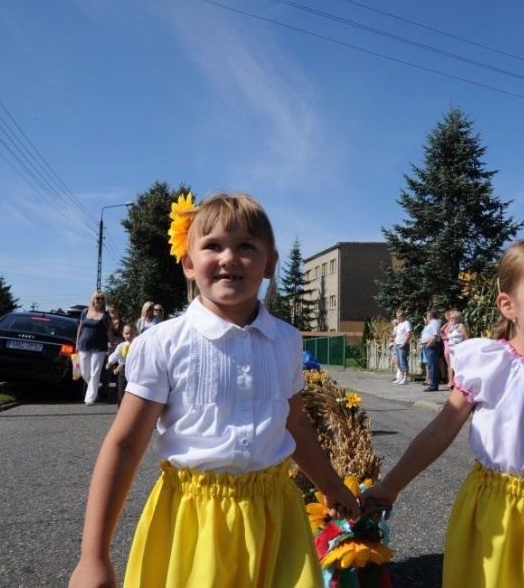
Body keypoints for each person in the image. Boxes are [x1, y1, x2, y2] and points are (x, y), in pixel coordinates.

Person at [69, 192, 360, 588]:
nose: (229, 258)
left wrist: (329, 483)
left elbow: (293, 421)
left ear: (269, 262)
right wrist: (93, 556)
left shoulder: (287, 341)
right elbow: (124, 446)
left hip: (276, 517)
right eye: (213, 246)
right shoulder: (163, 343)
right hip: (193, 523)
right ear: (189, 263)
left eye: (246, 246)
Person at [364, 237, 524, 587]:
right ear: (508, 305)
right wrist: (390, 487)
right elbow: (440, 431)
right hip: (497, 515)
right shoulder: (491, 365)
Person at [75, 292, 115, 406]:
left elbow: (109, 331)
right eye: (97, 298)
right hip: (84, 344)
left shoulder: (106, 315)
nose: (99, 300)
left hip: (99, 347)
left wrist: (112, 345)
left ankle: (90, 398)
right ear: (93, 299)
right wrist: (77, 343)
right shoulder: (85, 311)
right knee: (84, 371)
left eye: (102, 299)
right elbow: (80, 328)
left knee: (95, 372)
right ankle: (94, 390)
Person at [106, 323, 137, 406]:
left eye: (131, 333)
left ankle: (132, 406)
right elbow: (116, 354)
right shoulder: (121, 346)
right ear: (123, 334)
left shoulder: (138, 345)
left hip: (135, 368)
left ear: (136, 334)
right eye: (127, 333)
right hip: (123, 367)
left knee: (133, 389)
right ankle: (121, 406)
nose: (129, 336)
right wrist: (110, 362)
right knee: (122, 388)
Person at [444, 309, 469, 386]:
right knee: (453, 365)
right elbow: (448, 337)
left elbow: (467, 338)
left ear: (458, 318)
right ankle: (454, 383)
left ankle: (459, 384)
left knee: (458, 365)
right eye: (451, 318)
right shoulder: (452, 327)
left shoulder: (461, 326)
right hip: (451, 349)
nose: (452, 319)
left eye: (453, 317)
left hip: (458, 348)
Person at [420, 310, 443, 392]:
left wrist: (429, 344)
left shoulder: (434, 323)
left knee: (432, 365)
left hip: (432, 345)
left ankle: (433, 385)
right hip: (428, 345)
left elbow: (435, 334)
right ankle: (432, 384)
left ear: (429, 316)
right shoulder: (431, 324)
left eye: (427, 316)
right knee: (431, 365)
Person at [392, 311, 412, 385]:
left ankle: (405, 378)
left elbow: (409, 334)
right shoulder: (400, 324)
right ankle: (401, 377)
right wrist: (395, 343)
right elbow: (397, 335)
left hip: (403, 345)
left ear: (403, 316)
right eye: (397, 316)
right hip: (397, 344)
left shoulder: (406, 323)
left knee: (403, 361)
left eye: (399, 316)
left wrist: (403, 343)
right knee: (399, 362)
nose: (398, 318)